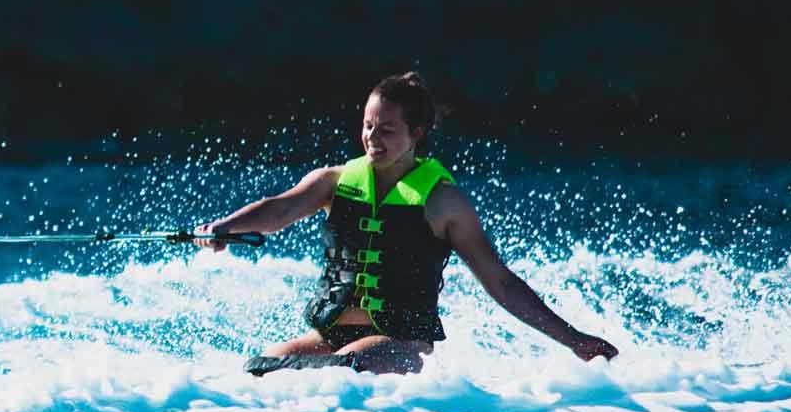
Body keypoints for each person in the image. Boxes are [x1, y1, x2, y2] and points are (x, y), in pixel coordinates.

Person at [193, 71, 619, 374]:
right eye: (368, 126)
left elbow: (501, 283)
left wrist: (574, 340)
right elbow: (279, 208)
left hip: (397, 346)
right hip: (331, 337)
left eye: (386, 130)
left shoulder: (443, 203)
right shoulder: (334, 182)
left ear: (416, 133)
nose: (371, 138)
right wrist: (225, 228)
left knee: (342, 373)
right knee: (259, 370)